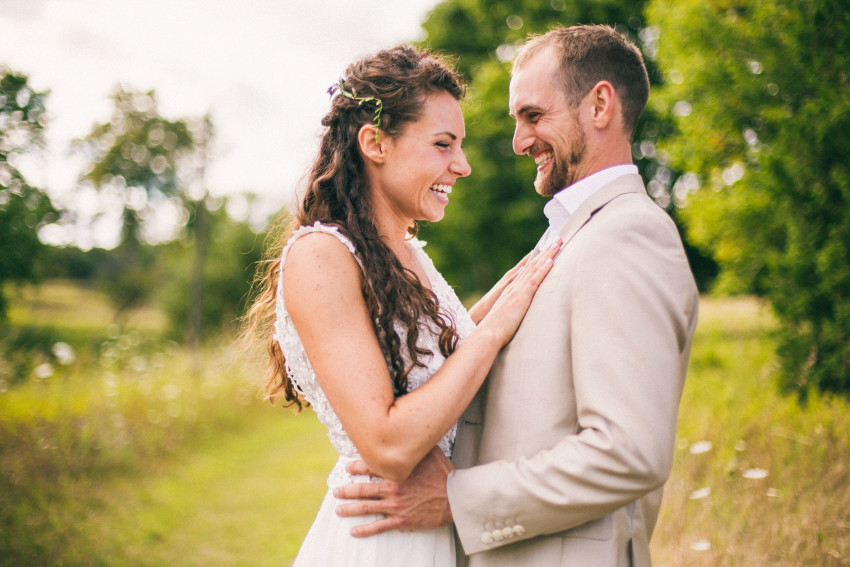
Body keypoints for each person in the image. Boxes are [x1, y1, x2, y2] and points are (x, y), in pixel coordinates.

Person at [334, 25, 700, 566]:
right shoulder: (575, 233)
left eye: (533, 116)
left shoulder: (628, 235)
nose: (519, 141)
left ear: (600, 105)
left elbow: (629, 451)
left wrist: (457, 497)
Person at [244, 45, 561, 566]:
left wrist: (521, 279)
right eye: (442, 144)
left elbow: (439, 357)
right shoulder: (321, 255)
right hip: (382, 543)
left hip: (431, 533)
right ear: (375, 143)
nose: (462, 166)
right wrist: (494, 329)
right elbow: (388, 445)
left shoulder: (406, 253)